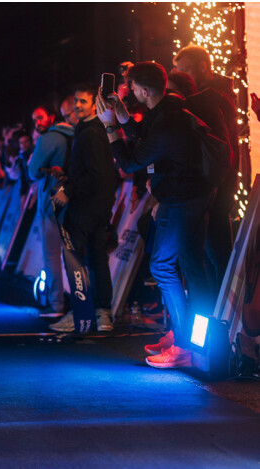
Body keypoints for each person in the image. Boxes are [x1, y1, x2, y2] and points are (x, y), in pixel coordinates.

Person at [96, 61, 214, 368]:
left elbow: (130, 162)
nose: (130, 91)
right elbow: (141, 133)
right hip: (191, 194)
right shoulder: (168, 109)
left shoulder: (166, 123)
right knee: (190, 265)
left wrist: (109, 126)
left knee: (162, 266)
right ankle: (186, 338)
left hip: (181, 198)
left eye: (132, 87)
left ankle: (184, 346)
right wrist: (120, 111)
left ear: (144, 90)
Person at [50, 84, 120, 333]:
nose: (77, 105)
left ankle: (81, 315)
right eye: (76, 101)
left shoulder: (90, 132)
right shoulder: (93, 129)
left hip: (86, 208)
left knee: (76, 259)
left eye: (83, 101)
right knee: (97, 259)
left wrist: (68, 191)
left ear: (94, 105)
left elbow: (97, 173)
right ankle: (102, 316)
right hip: (99, 206)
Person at [173, 45, 238, 289]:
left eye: (186, 70)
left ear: (203, 67)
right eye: (178, 71)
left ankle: (222, 307)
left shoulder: (211, 98)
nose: (182, 76)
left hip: (215, 186)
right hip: (212, 184)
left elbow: (219, 149)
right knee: (211, 255)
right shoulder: (210, 96)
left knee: (216, 254)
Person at [27, 95, 77, 319]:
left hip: (53, 202)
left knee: (52, 255)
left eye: (39, 117)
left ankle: (56, 303)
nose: (36, 122)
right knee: (77, 256)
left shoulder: (49, 138)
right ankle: (84, 305)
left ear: (53, 117)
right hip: (77, 199)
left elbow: (33, 172)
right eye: (34, 119)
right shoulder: (80, 135)